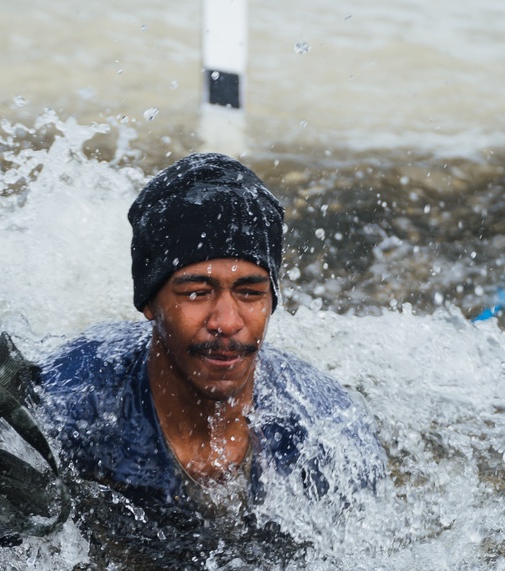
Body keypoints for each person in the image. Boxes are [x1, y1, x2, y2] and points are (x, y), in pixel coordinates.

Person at [38, 153, 387, 534]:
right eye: (196, 293)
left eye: (250, 293)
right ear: (150, 302)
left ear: (272, 299)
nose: (227, 323)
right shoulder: (71, 404)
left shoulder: (326, 433)